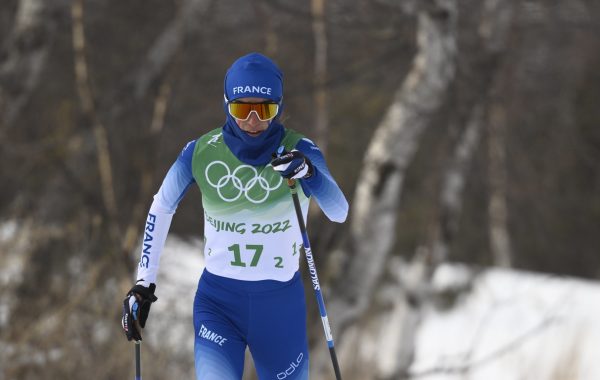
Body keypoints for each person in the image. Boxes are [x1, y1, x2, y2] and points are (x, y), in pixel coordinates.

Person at [121, 52, 348, 380]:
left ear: (279, 107)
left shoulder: (300, 149)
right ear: (226, 104)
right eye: (242, 109)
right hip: (219, 304)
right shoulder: (200, 152)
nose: (253, 121)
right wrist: (144, 283)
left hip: (279, 309)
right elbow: (161, 206)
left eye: (264, 109)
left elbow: (339, 212)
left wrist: (310, 173)